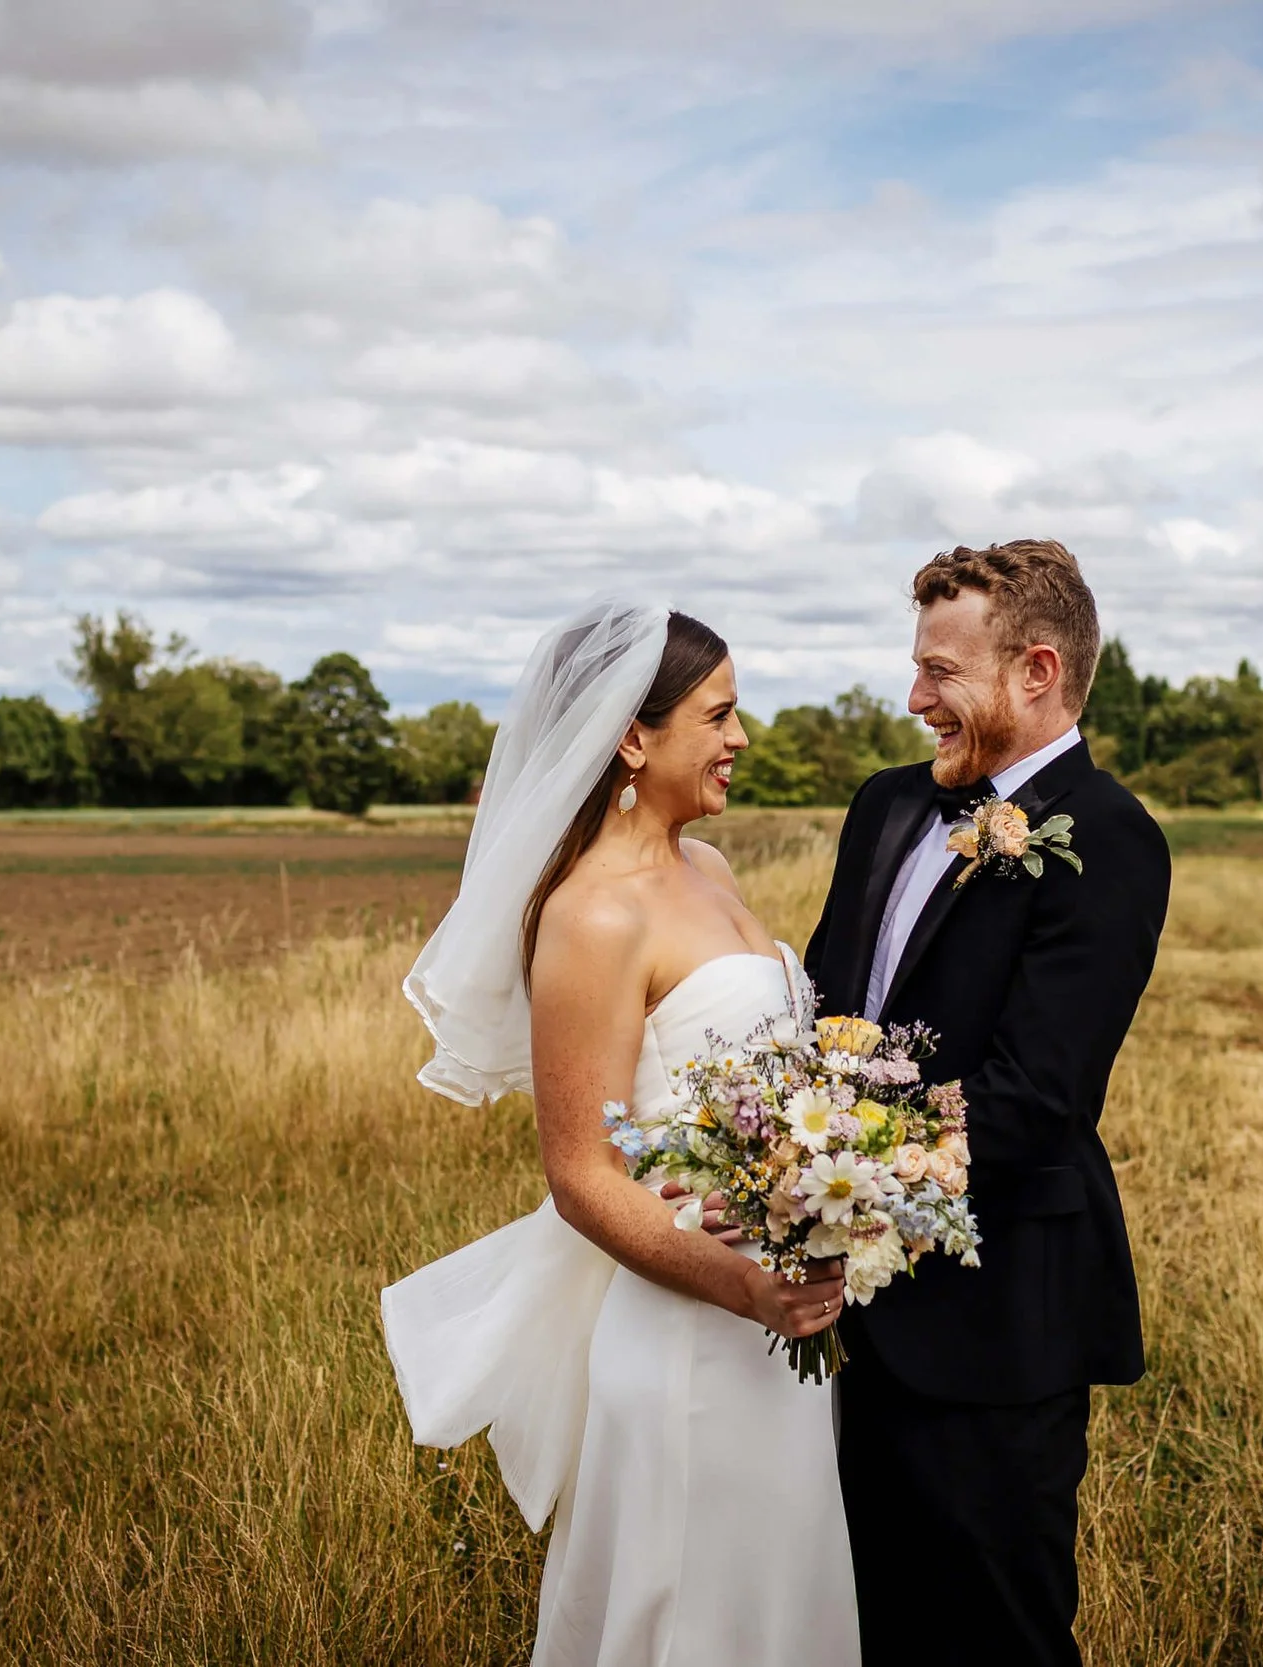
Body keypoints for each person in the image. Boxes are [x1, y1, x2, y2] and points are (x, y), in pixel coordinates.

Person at [380, 603, 858, 1667]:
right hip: (693, 1325)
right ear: (631, 737)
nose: (741, 738)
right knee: (687, 1607)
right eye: (718, 715)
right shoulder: (591, 917)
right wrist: (743, 1288)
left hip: (784, 1321)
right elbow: (581, 1176)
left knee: (781, 1602)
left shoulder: (715, 872)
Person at [803, 539, 1170, 1666]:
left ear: (1036, 671)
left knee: (995, 1631)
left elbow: (1033, 1096)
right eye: (915, 667)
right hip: (842, 1305)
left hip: (999, 1316)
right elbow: (831, 1008)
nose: (915, 698)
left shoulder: (1108, 838)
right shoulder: (884, 806)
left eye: (940, 673)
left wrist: (828, 1172)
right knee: (866, 1619)